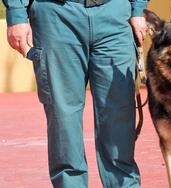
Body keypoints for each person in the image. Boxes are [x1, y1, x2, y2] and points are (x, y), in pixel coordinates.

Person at [2, 0, 148, 187]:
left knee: (118, 118)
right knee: (64, 121)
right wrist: (16, 13)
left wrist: (138, 8)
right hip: (56, 15)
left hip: (114, 14)